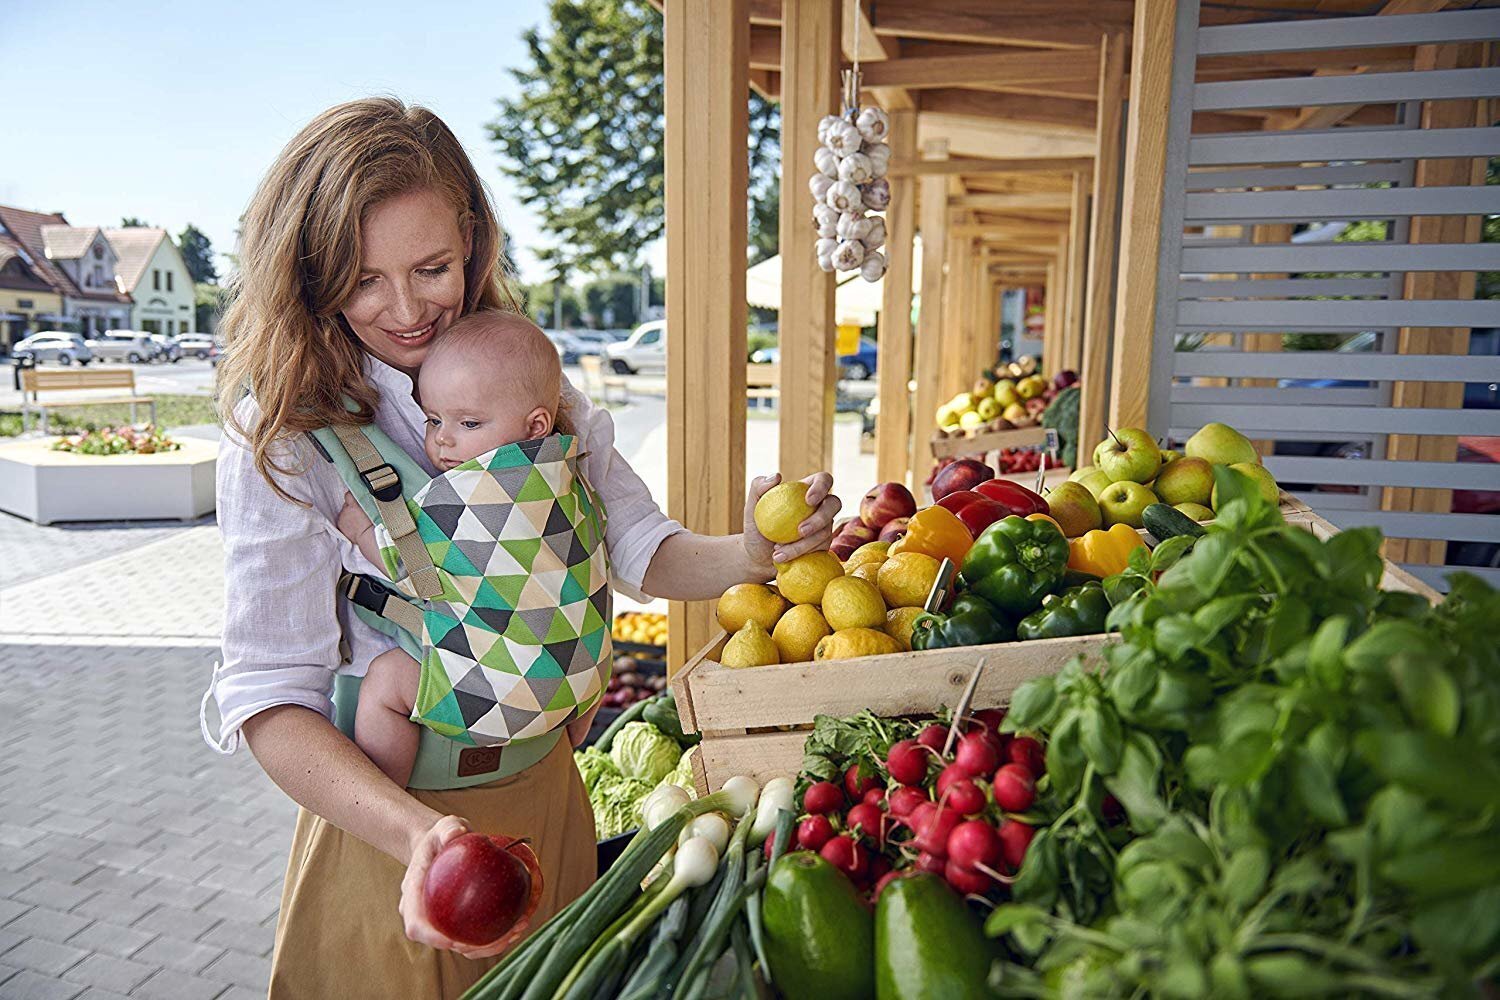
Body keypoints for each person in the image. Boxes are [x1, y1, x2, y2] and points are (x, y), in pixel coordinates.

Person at [200, 96, 839, 999]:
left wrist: (747, 554)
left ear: (473, 241)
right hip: (395, 837)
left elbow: (643, 550)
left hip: (550, 801)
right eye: (363, 277)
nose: (407, 309)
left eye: (432, 267)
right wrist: (421, 839)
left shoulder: (527, 380)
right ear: (309, 274)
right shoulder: (286, 434)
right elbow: (269, 699)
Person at [333, 308, 599, 787]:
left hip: (500, 699)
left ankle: (389, 791)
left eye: (469, 423)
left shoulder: (478, 497)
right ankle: (569, 739)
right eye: (433, 419)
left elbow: (413, 565)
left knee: (386, 683)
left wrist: (357, 529)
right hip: (580, 682)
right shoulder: (569, 479)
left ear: (535, 425)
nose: (444, 440)